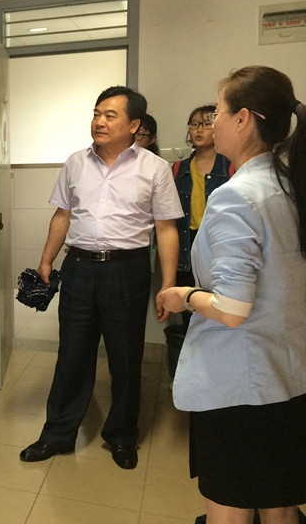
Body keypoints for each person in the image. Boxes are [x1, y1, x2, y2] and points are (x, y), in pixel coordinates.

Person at [158, 66, 306, 524]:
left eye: (218, 112)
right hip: (290, 375)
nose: (212, 122)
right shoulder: (290, 183)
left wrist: (186, 295)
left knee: (230, 509)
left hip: (241, 387)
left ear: (243, 119)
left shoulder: (236, 196)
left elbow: (232, 308)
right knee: (280, 507)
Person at [19, 86, 182, 469]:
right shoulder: (76, 162)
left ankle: (122, 436)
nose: (99, 121)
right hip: (78, 268)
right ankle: (57, 434)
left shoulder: (154, 168)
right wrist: (46, 260)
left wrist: (168, 284)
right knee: (72, 355)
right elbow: (62, 215)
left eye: (110, 115)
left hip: (127, 270)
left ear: (134, 124)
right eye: (96, 113)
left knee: (125, 357)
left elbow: (166, 229)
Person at [172, 105, 232, 327]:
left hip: (218, 246)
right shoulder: (178, 169)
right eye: (194, 124)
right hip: (186, 246)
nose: (199, 129)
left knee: (220, 311)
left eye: (206, 124)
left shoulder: (230, 166)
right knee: (189, 311)